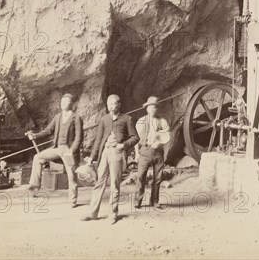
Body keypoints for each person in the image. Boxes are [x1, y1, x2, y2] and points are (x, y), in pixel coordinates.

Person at [82, 94, 138, 224]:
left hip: (117, 153)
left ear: (119, 105)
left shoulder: (126, 119)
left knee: (114, 184)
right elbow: (98, 140)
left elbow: (135, 138)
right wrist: (92, 157)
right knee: (99, 182)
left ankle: (113, 214)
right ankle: (92, 213)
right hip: (105, 153)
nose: (111, 107)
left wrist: (123, 145)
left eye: (113, 104)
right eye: (109, 104)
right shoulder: (104, 119)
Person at [27, 93, 83, 207]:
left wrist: (72, 150)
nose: (63, 103)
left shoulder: (76, 118)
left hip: (68, 150)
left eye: (66, 101)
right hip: (57, 148)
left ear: (71, 104)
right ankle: (34, 188)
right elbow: (48, 130)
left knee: (71, 174)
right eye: (62, 101)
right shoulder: (58, 116)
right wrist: (35, 136)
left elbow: (79, 137)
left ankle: (72, 199)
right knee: (38, 157)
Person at [134, 96, 170, 210]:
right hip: (145, 151)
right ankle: (138, 201)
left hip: (158, 152)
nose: (152, 110)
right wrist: (136, 153)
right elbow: (136, 139)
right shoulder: (141, 121)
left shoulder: (162, 121)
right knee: (140, 177)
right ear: (147, 108)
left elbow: (167, 136)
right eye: (150, 107)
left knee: (158, 178)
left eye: (155, 107)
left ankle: (154, 201)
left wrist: (159, 143)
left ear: (157, 108)